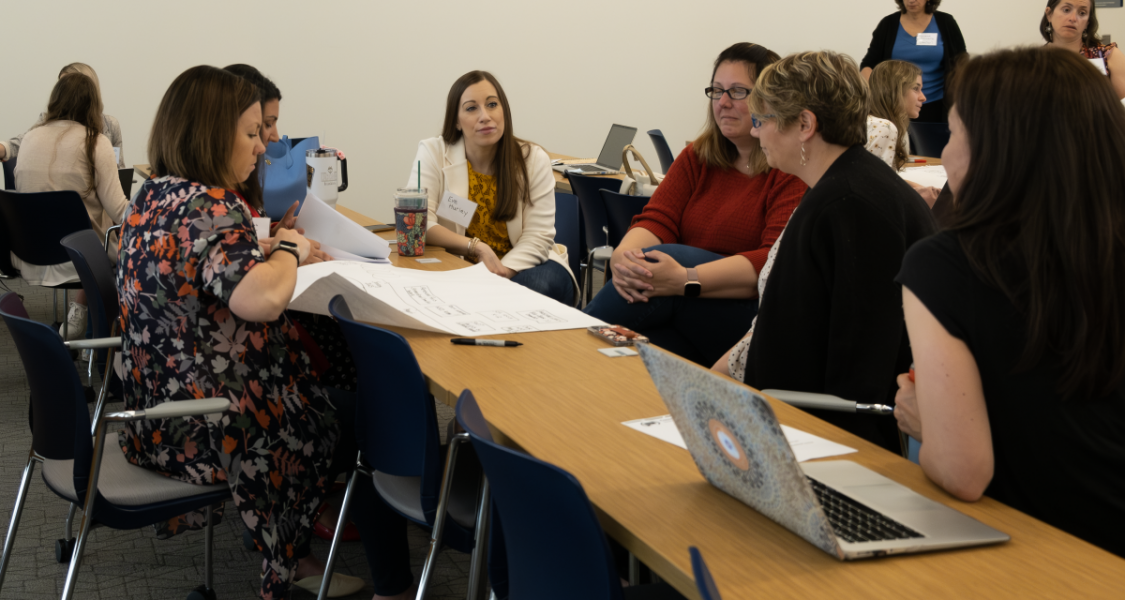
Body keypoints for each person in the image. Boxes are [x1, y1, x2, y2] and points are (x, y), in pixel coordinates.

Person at [116, 65, 353, 599]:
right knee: (343, 411)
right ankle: (289, 560)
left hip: (149, 420)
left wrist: (259, 248)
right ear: (209, 133)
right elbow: (263, 301)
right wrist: (289, 247)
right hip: (209, 429)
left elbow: (196, 265)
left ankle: (287, 546)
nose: (261, 149)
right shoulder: (213, 204)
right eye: (251, 134)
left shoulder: (154, 196)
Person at [893, 47, 1125, 559]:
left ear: (999, 149)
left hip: (1048, 554)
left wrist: (923, 418)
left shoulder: (943, 265)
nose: (945, 153)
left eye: (953, 134)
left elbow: (962, 472)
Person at [717, 50, 936, 453]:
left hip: (820, 443)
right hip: (795, 420)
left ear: (804, 124)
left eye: (762, 120)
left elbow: (857, 381)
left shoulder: (848, 205)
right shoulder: (846, 186)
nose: (757, 133)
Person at [583, 42, 807, 367]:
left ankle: (565, 344)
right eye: (717, 91)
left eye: (738, 91)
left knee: (668, 261)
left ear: (769, 100)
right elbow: (658, 220)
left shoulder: (788, 167)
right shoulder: (698, 156)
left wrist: (686, 277)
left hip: (749, 320)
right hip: (683, 308)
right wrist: (623, 259)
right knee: (627, 355)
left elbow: (773, 262)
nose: (724, 102)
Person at [408, 70, 576, 305]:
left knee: (535, 288)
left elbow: (537, 237)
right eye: (471, 108)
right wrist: (476, 248)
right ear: (456, 121)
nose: (485, 116)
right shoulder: (433, 152)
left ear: (503, 110)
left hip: (523, 266)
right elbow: (418, 223)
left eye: (492, 104)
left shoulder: (533, 159)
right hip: (463, 266)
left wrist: (501, 273)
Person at [12, 71, 128, 341]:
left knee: (87, 225)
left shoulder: (30, 138)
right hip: (78, 259)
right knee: (122, 244)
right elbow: (120, 210)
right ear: (93, 105)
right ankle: (101, 339)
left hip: (32, 254)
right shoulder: (95, 142)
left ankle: (81, 317)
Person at [860, 0, 966, 124]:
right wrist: (875, 97)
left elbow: (961, 63)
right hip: (895, 106)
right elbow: (868, 64)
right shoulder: (888, 24)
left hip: (938, 105)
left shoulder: (946, 22)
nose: (911, 0)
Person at [1, 63, 125, 168]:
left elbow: (119, 170)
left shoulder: (110, 125)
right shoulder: (47, 120)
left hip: (101, 193)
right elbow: (26, 141)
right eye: (62, 86)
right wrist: (3, 148)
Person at [869, 60, 941, 206]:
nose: (923, 97)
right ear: (894, 90)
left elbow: (884, 176)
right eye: (916, 89)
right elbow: (874, 188)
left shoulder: (890, 127)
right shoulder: (884, 128)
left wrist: (916, 188)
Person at [1042, 0, 1125, 99]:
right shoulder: (1034, 60)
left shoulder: (1109, 55)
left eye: (1082, 13)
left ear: (1088, 22)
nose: (1073, 18)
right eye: (1066, 10)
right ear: (1049, 14)